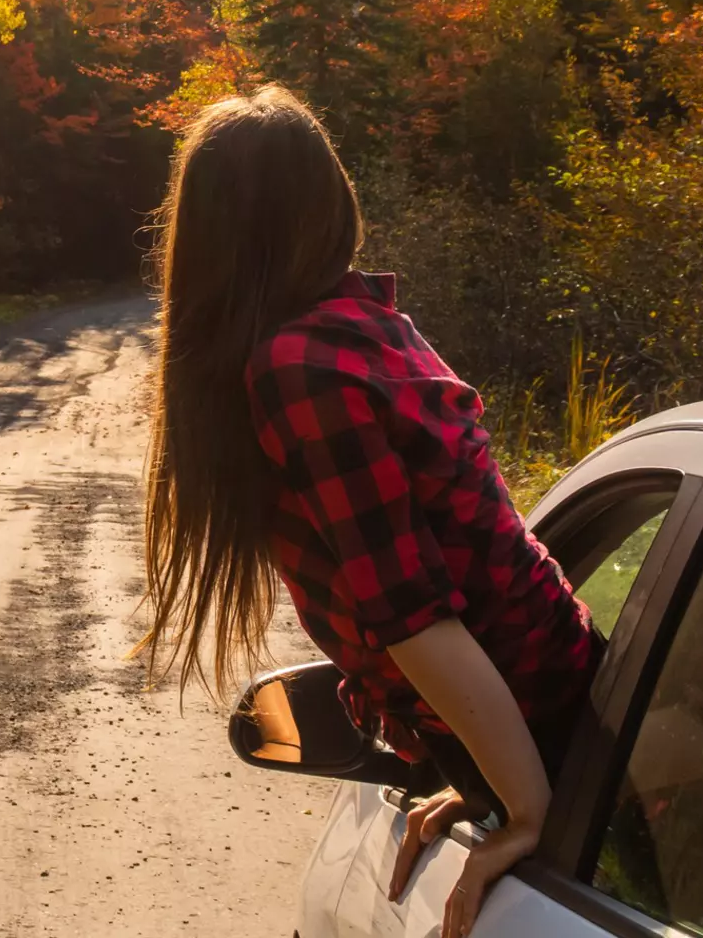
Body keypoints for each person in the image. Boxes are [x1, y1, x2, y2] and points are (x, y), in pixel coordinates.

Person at [138, 86, 603, 938]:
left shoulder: (298, 364)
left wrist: (527, 805)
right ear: (328, 201)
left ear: (206, 239)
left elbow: (412, 615)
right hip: (548, 688)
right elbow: (466, 557)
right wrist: (486, 781)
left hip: (544, 719)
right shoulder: (364, 320)